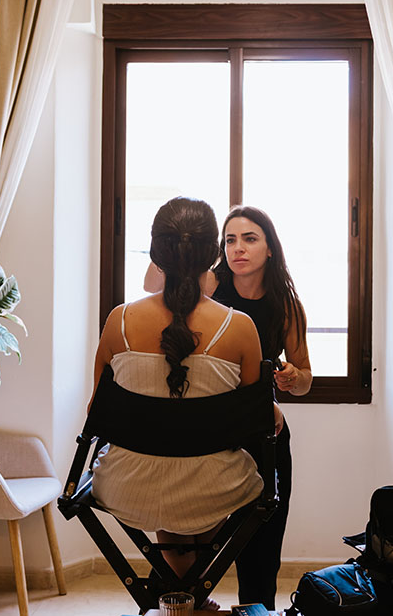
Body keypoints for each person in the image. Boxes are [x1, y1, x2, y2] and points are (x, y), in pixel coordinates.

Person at [88, 197, 272, 609]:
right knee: (200, 483)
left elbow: (96, 411)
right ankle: (190, 595)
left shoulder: (118, 321)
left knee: (171, 490)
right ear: (214, 254)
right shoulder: (240, 328)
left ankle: (182, 596)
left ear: (156, 253)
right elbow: (254, 422)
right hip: (215, 488)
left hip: (128, 486)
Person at [145, 205, 312, 609]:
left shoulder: (286, 305)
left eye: (250, 239)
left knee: (262, 542)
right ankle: (178, 599)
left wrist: (293, 378)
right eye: (230, 240)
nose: (238, 248)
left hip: (263, 428)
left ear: (270, 248)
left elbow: (306, 378)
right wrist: (176, 244)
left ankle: (256, 606)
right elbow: (152, 283)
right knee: (189, 533)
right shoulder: (207, 283)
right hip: (208, 424)